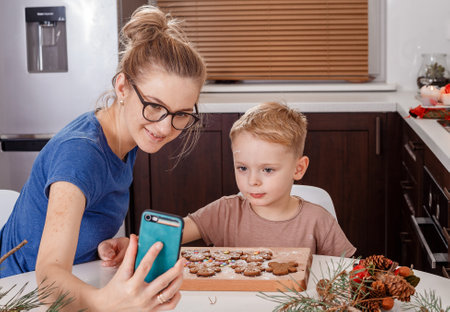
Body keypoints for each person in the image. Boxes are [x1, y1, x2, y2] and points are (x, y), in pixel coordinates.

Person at [0, 4, 206, 311]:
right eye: (155, 106)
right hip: (19, 297)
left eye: (181, 114)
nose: (165, 127)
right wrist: (104, 303)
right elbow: (47, 281)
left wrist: (107, 253)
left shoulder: (128, 137)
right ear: (122, 86)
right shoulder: (80, 154)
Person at [99, 102, 355, 269]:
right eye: (242, 168)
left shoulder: (317, 220)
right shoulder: (225, 211)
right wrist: (131, 245)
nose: (252, 180)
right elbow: (172, 234)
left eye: (267, 170)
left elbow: (347, 272)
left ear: (298, 168)